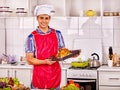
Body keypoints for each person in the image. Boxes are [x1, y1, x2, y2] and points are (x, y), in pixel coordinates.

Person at [25, 4, 65, 90]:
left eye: (46, 18)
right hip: (39, 76)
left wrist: (69, 54)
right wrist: (45, 62)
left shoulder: (57, 34)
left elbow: (63, 52)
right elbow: (29, 60)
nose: (44, 21)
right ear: (37, 18)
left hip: (55, 74)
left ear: (49, 19)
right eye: (41, 18)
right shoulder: (31, 37)